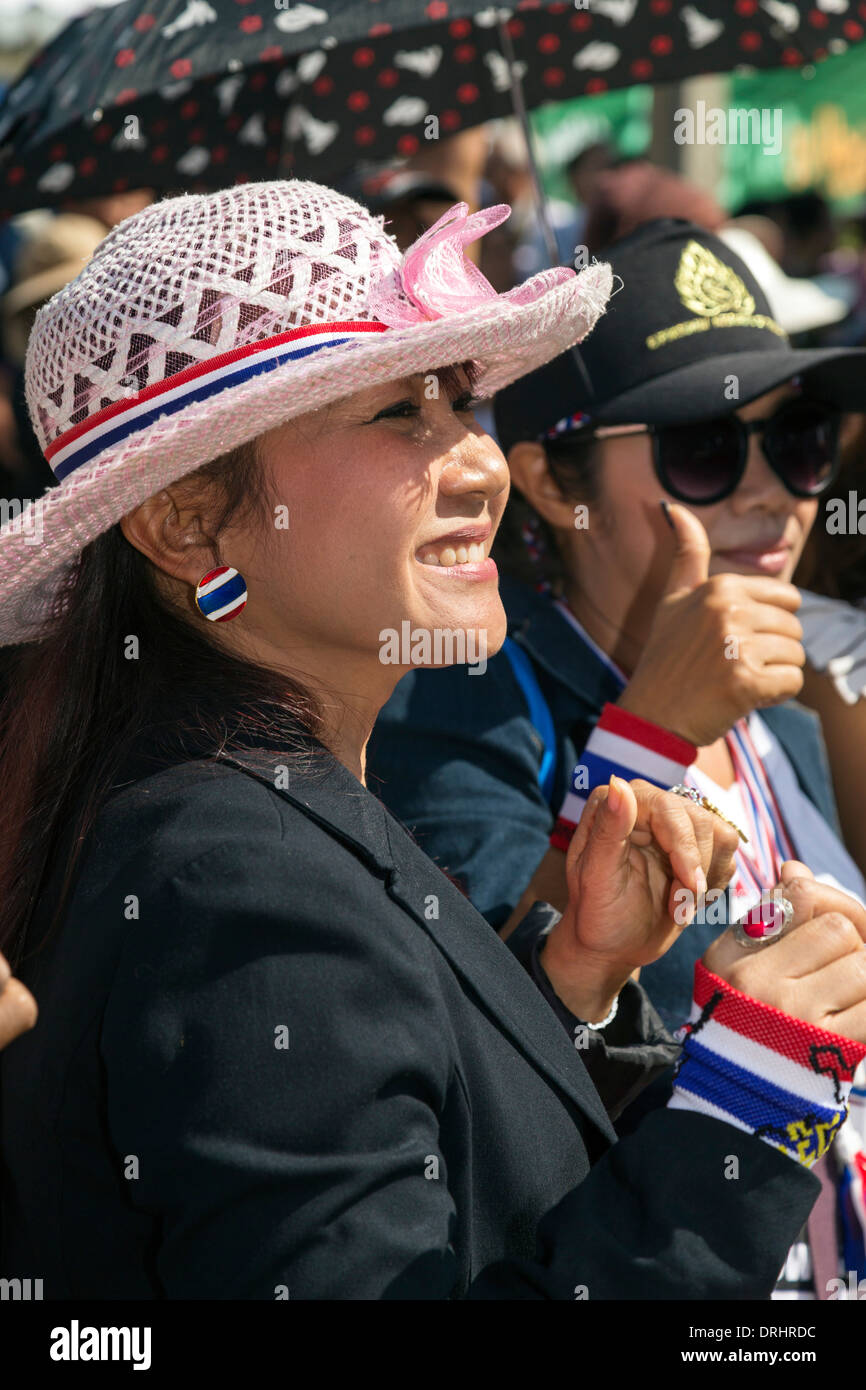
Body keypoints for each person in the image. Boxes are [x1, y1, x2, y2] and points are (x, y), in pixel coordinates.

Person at [1, 183, 864, 1300]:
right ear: (188, 523)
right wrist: (750, 1099)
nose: (480, 465)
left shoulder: (241, 810)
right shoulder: (237, 881)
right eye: (397, 414)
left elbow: (433, 1173)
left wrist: (569, 988)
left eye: (460, 404)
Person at [368, 217, 866, 1297]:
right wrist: (650, 732)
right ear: (551, 483)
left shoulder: (786, 702)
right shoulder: (454, 700)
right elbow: (489, 1042)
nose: (768, 489)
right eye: (702, 443)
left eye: (798, 439)